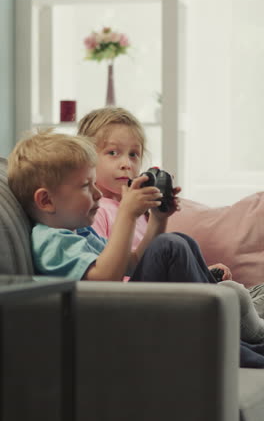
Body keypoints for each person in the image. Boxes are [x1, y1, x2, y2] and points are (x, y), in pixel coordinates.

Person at [7, 129, 264, 368]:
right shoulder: (51, 242)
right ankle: (231, 345)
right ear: (46, 200)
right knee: (170, 246)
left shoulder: (79, 232)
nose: (98, 194)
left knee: (180, 241)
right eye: (86, 186)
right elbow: (104, 281)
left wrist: (158, 219)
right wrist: (127, 216)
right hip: (111, 330)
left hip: (123, 313)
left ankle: (234, 335)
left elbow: (131, 262)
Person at [77, 106, 264, 318]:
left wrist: (199, 271)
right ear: (87, 158)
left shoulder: (136, 209)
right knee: (172, 244)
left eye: (134, 154)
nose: (126, 164)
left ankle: (230, 305)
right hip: (132, 301)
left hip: (157, 291)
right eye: (113, 153)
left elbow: (146, 260)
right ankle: (234, 317)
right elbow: (109, 275)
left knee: (186, 243)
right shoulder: (95, 211)